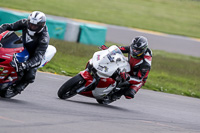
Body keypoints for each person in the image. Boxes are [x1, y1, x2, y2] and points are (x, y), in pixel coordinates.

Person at [0, 11, 49, 96]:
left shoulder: (44, 38)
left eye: (35, 26)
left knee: (30, 74)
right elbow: (8, 27)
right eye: (31, 24)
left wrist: (25, 65)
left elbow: (38, 57)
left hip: (33, 53)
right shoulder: (24, 23)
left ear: (41, 25)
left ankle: (19, 87)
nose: (32, 27)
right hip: (21, 44)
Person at [101, 36, 152, 100]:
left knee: (129, 94)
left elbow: (139, 79)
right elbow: (119, 49)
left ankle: (117, 94)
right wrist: (108, 49)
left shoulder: (145, 63)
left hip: (137, 78)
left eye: (137, 50)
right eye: (134, 48)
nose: (135, 51)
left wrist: (128, 77)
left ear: (143, 50)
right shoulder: (132, 48)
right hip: (129, 66)